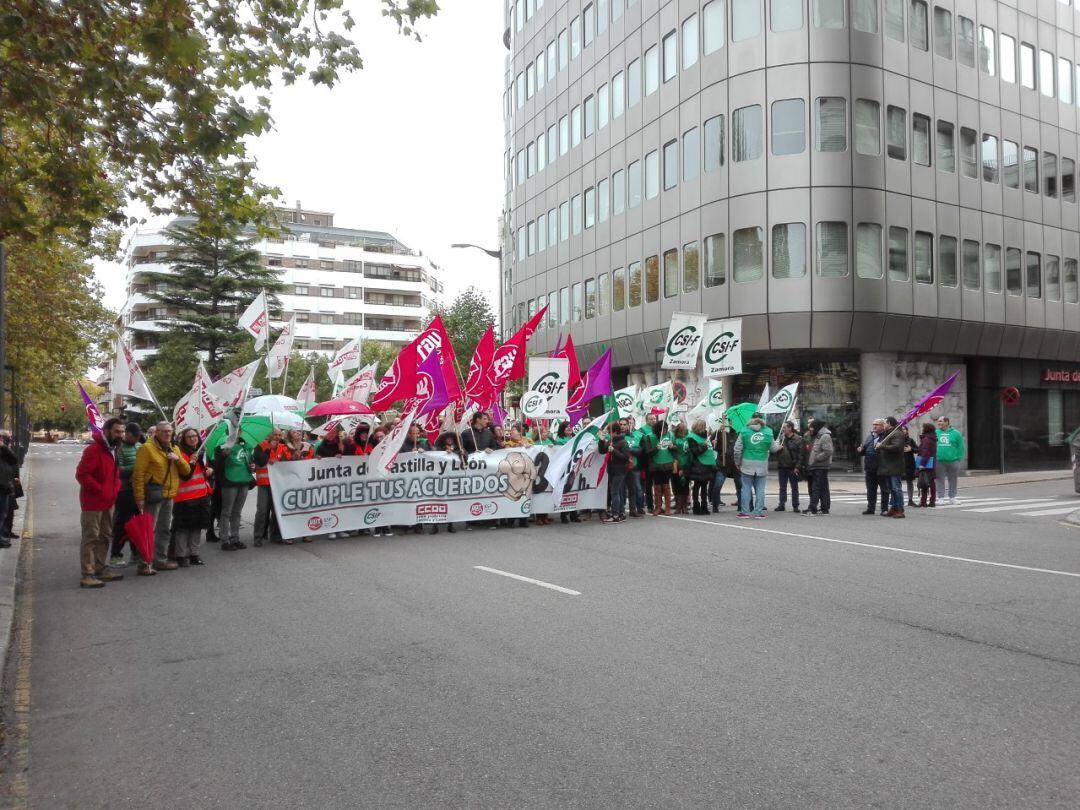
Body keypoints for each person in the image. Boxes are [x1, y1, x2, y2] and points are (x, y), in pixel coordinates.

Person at [132, 421, 191, 574]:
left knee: (164, 530)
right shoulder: (147, 448)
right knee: (148, 530)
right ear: (156, 432)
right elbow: (138, 474)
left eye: (170, 431)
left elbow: (186, 471)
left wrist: (177, 459)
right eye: (164, 431)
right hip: (153, 496)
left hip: (169, 496)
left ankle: (160, 560)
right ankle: (144, 563)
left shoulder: (175, 448)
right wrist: (139, 497)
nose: (167, 434)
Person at [75, 418, 125, 588]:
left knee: (104, 536)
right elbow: (82, 475)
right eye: (117, 432)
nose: (121, 435)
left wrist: (114, 489)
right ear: (107, 431)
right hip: (93, 503)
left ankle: (100, 568)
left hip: (108, 501)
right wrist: (100, 490)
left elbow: (114, 475)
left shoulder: (113, 449)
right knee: (91, 537)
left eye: (122, 432)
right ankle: (87, 574)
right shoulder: (94, 450)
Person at [171, 428, 212, 566]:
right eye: (189, 437)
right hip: (185, 497)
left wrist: (208, 470)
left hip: (201, 495)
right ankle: (181, 555)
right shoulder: (181, 454)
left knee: (197, 527)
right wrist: (192, 462)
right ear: (184, 440)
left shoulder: (200, 452)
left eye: (194, 436)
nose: (193, 439)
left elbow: (201, 471)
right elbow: (185, 475)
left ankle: (194, 553)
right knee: (183, 528)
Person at [214, 430, 255, 551]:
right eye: (233, 430)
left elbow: (250, 462)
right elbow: (216, 466)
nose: (236, 432)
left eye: (238, 430)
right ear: (228, 431)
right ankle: (225, 540)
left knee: (237, 512)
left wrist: (252, 466)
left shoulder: (245, 445)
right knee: (227, 511)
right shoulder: (222, 446)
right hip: (229, 482)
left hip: (244, 481)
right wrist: (223, 455)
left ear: (241, 431)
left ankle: (235, 538)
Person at [109, 422, 143, 566]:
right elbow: (119, 470)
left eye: (138, 436)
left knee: (139, 524)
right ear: (127, 434)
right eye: (134, 436)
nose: (136, 438)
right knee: (123, 525)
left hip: (139, 490)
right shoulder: (119, 448)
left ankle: (136, 554)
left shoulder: (140, 447)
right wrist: (136, 467)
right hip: (124, 491)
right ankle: (115, 554)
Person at [734, 417, 773, 518]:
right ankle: (759, 512)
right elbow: (774, 448)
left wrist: (737, 462)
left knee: (746, 488)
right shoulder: (768, 432)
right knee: (760, 489)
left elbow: (737, 449)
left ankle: (745, 512)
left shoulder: (744, 431)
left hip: (747, 462)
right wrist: (778, 445)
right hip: (762, 462)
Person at [251, 427, 283, 546]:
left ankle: (274, 535)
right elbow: (260, 461)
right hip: (264, 483)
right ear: (269, 435)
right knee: (262, 511)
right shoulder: (260, 446)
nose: (278, 437)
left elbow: (287, 462)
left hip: (278, 484)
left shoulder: (282, 447)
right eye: (275, 435)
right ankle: (258, 537)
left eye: (280, 435)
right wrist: (269, 448)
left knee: (276, 511)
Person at [641, 416, 674, 516]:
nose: (664, 432)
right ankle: (658, 507)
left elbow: (675, 448)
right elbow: (647, 452)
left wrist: (673, 447)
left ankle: (667, 508)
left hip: (667, 464)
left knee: (666, 486)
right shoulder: (649, 437)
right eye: (662, 430)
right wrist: (656, 448)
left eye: (666, 429)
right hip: (656, 465)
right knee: (657, 486)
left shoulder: (670, 435)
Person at [856, 419, 889, 516]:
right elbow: (865, 449)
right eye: (873, 424)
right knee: (871, 489)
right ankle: (871, 507)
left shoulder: (886, 436)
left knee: (884, 489)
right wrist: (860, 450)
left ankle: (884, 508)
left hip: (881, 466)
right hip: (870, 466)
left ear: (883, 426)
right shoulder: (870, 436)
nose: (874, 427)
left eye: (877, 425)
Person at [876, 417, 906, 518]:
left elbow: (896, 447)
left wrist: (882, 446)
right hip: (888, 465)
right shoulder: (888, 433)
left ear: (889, 423)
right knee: (892, 489)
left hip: (894, 465)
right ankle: (894, 507)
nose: (883, 425)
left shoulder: (897, 433)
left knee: (896, 488)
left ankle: (900, 509)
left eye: (884, 423)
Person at [601, 422, 631, 522]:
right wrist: (601, 441)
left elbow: (625, 457)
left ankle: (615, 515)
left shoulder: (623, 442)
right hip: (612, 470)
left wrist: (614, 451)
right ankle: (621, 513)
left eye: (610, 432)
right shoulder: (610, 441)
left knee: (615, 492)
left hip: (620, 470)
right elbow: (602, 450)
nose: (609, 434)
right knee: (617, 492)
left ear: (614, 432)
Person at [772, 420, 804, 513]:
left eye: (785, 427)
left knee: (794, 487)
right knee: (782, 487)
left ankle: (795, 505)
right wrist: (777, 448)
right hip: (782, 466)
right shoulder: (781, 438)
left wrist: (797, 467)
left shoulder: (798, 439)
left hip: (792, 467)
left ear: (790, 428)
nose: (783, 429)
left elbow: (801, 455)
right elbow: (774, 451)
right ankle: (781, 504)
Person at [687, 420, 718, 515]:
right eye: (703, 426)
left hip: (707, 464)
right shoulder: (692, 438)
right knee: (697, 486)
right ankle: (696, 506)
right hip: (698, 465)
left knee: (704, 486)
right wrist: (704, 446)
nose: (705, 427)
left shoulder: (705, 437)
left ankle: (704, 506)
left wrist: (712, 444)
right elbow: (695, 452)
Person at [804, 419, 833, 516]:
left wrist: (816, 458)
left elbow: (828, 451)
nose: (810, 429)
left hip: (820, 465)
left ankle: (812, 509)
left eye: (812, 427)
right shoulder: (817, 436)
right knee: (823, 487)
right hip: (817, 465)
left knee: (816, 488)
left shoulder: (825, 436)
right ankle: (825, 508)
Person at [935, 416, 965, 504]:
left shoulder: (956, 433)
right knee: (940, 479)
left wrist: (959, 458)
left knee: (953, 480)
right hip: (939, 460)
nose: (938, 423)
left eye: (940, 421)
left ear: (947, 422)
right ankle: (940, 498)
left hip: (953, 460)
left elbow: (961, 446)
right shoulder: (936, 432)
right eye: (938, 421)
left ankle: (952, 497)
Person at [712, 425, 739, 513]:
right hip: (722, 463)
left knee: (740, 485)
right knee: (717, 485)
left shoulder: (738, 432)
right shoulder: (720, 432)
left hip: (735, 464)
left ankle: (741, 504)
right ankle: (715, 504)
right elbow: (713, 443)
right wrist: (717, 434)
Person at [670, 424, 692, 515]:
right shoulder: (674, 439)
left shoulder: (688, 438)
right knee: (677, 486)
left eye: (684, 428)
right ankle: (678, 506)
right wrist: (672, 447)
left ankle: (685, 506)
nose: (683, 429)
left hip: (687, 465)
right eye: (681, 428)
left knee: (685, 486)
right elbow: (673, 451)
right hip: (677, 465)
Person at [915, 422, 938, 507]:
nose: (922, 429)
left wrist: (922, 464)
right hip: (931, 464)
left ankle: (923, 501)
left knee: (924, 482)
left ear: (926, 429)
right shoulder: (932, 438)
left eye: (923, 427)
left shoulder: (926, 439)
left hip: (926, 464)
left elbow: (925, 452)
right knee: (931, 482)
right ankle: (932, 501)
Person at [902, 426, 918, 506]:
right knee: (897, 482)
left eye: (904, 429)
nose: (903, 430)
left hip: (909, 464)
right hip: (899, 464)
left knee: (909, 482)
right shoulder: (897, 440)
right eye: (901, 429)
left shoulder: (910, 440)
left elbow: (917, 450)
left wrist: (911, 449)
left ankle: (910, 499)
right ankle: (896, 499)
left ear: (907, 431)